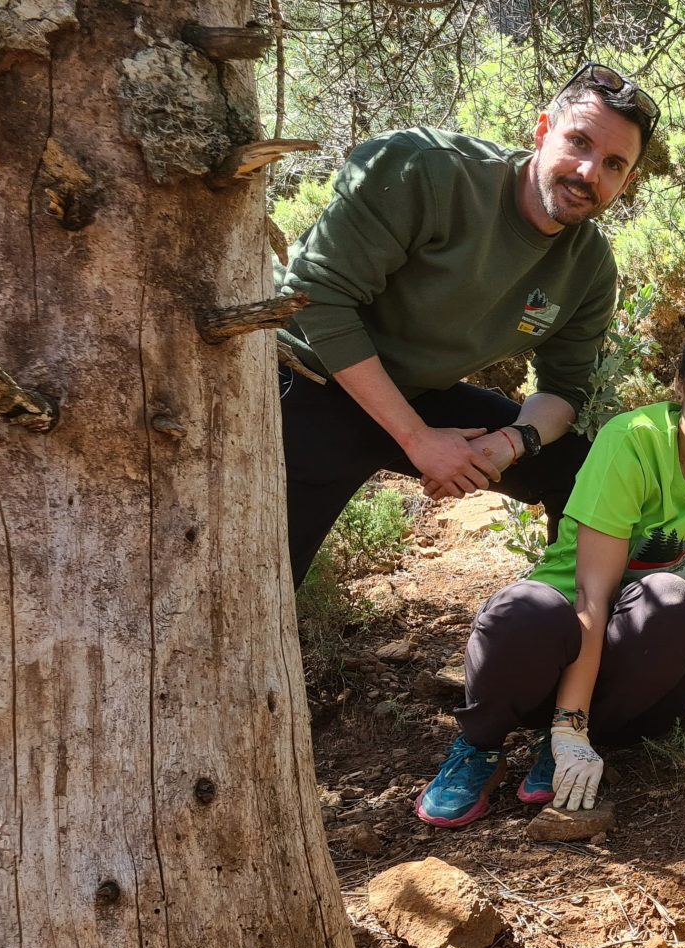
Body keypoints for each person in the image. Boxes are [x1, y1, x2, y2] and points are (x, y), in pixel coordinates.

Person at [415, 312, 685, 826]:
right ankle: (481, 746)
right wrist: (569, 723)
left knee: (672, 600)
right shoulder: (633, 440)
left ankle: (568, 743)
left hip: (629, 677)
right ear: (681, 383)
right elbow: (590, 595)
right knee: (524, 609)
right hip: (551, 649)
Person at [275, 62, 658, 583]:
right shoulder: (425, 171)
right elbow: (314, 296)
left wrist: (509, 443)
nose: (590, 173)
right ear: (543, 130)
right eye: (579, 143)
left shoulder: (588, 267)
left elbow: (566, 391)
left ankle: (564, 628)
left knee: (578, 468)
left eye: (614, 164)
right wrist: (418, 440)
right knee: (262, 584)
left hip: (419, 392)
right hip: (308, 378)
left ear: (627, 181)